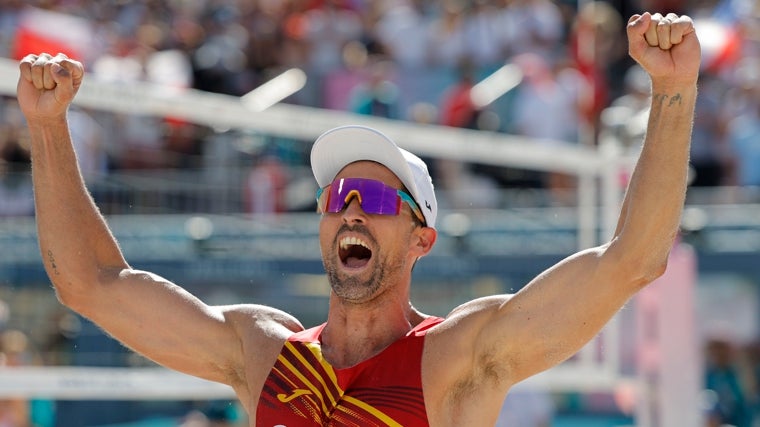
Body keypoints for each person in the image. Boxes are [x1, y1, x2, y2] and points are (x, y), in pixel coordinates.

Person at [16, 11, 700, 426]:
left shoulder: (459, 357)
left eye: (374, 201)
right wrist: (47, 127)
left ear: (421, 237)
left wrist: (672, 91)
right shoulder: (262, 351)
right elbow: (90, 284)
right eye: (335, 198)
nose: (350, 210)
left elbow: (633, 258)